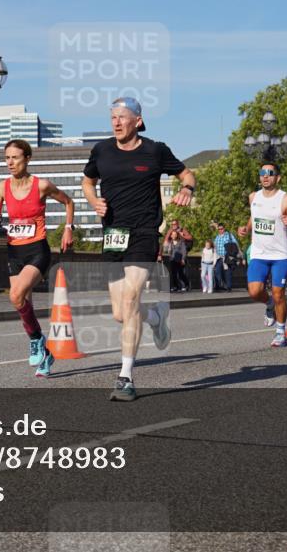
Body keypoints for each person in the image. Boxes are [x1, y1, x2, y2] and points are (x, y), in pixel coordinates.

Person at [82, 97, 196, 402]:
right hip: (113, 234)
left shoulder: (155, 150)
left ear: (138, 121)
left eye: (122, 117)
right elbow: (87, 182)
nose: (116, 122)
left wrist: (187, 189)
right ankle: (156, 318)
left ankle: (125, 377)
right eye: (113, 117)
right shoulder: (102, 150)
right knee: (121, 313)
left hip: (144, 232)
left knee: (132, 298)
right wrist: (93, 201)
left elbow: (186, 174)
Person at [0, 139, 75, 377]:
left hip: (37, 250)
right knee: (22, 303)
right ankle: (45, 352)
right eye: (7, 158)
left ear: (27, 158)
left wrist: (68, 229)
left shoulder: (42, 185)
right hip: (14, 252)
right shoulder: (2, 187)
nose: (10, 162)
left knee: (15, 295)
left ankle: (37, 340)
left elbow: (68, 202)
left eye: (15, 157)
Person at [238, 162, 287, 347]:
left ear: (278, 178)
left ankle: (281, 332)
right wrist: (246, 228)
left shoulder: (286, 199)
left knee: (278, 294)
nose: (265, 176)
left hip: (280, 255)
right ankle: (269, 305)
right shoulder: (253, 197)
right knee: (254, 292)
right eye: (262, 173)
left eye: (270, 173)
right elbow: (254, 216)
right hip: (259, 253)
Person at [212, 223, 239, 292]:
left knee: (228, 273)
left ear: (224, 228)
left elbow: (236, 244)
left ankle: (228, 287)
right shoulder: (217, 237)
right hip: (219, 257)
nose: (220, 230)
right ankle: (221, 285)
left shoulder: (229, 235)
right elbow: (214, 246)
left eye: (221, 229)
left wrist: (234, 255)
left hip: (227, 257)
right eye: (219, 229)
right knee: (217, 271)